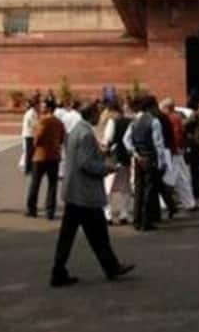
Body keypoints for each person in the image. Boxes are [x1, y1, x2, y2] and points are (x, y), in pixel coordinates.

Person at [51, 102, 135, 287]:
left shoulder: (76, 131)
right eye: (98, 113)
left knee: (72, 235)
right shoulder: (86, 134)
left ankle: (59, 271)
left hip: (74, 191)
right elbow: (86, 164)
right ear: (92, 115)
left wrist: (100, 155)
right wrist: (107, 168)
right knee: (98, 234)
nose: (101, 116)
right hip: (85, 193)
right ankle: (111, 267)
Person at [123, 95, 166, 231]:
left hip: (138, 158)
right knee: (149, 190)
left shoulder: (134, 122)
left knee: (139, 189)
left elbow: (126, 140)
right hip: (150, 158)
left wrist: (135, 153)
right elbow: (158, 143)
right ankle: (145, 221)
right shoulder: (154, 122)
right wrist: (161, 161)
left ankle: (136, 220)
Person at [28, 99, 65, 219]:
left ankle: (32, 209)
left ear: (48, 108)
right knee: (52, 185)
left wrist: (35, 142)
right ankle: (50, 210)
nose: (41, 108)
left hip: (40, 155)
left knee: (35, 183)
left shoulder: (43, 121)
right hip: (54, 156)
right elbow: (62, 138)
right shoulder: (59, 122)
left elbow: (37, 139)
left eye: (43, 106)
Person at [160, 98, 196, 212]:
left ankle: (165, 202)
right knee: (182, 177)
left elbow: (176, 135)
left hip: (172, 151)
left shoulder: (170, 118)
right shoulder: (177, 117)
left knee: (169, 178)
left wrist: (175, 148)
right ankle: (188, 202)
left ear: (166, 108)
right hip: (176, 151)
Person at [101, 101, 132, 224]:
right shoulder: (129, 122)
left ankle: (108, 214)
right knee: (125, 187)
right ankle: (124, 213)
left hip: (113, 157)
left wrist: (102, 145)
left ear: (112, 111)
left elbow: (108, 139)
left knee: (108, 187)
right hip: (126, 158)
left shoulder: (112, 122)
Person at [21, 97, 39, 184]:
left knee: (30, 152)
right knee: (30, 153)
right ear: (35, 105)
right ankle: (28, 169)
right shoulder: (32, 113)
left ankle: (29, 168)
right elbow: (34, 124)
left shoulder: (30, 112)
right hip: (30, 134)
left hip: (28, 134)